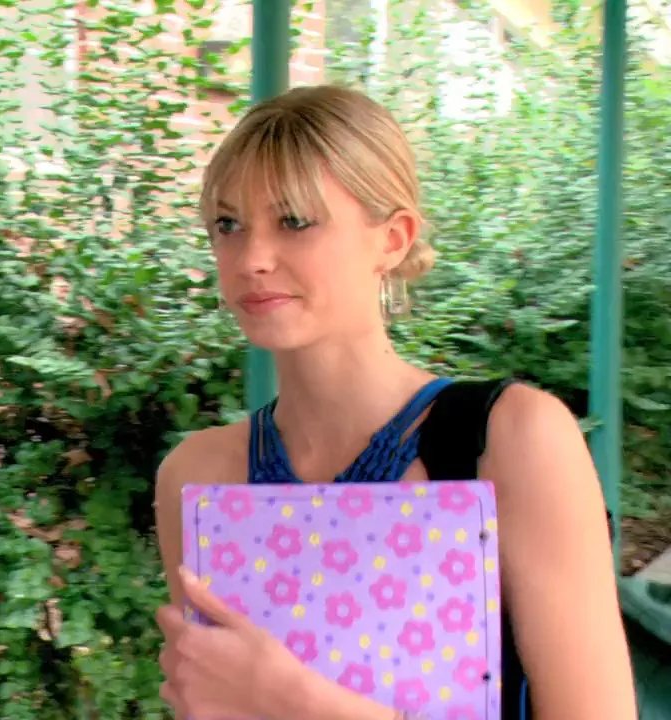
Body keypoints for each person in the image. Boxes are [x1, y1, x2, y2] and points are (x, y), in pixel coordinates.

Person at [153, 84, 638, 720]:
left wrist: (295, 700)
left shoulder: (510, 440)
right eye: (228, 225)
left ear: (393, 238)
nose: (252, 258)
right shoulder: (196, 476)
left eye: (294, 220)